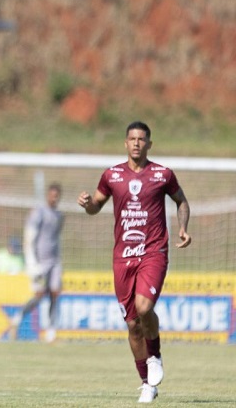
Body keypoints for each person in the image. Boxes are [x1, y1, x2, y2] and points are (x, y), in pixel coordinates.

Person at [77, 121, 192, 404]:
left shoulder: (163, 175)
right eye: (132, 139)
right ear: (125, 143)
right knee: (132, 325)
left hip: (153, 252)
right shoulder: (112, 175)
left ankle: (155, 356)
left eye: (142, 139)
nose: (137, 143)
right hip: (122, 257)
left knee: (144, 307)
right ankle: (146, 383)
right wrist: (88, 202)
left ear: (149, 144)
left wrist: (183, 227)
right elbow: (96, 207)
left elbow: (182, 201)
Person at [11, 183, 64, 342]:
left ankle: (51, 333)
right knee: (39, 295)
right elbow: (30, 237)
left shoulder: (59, 215)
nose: (54, 198)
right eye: (52, 195)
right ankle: (18, 317)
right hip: (39, 261)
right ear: (48, 195)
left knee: (55, 292)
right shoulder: (39, 213)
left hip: (54, 261)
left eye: (57, 196)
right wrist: (31, 262)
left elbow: (56, 239)